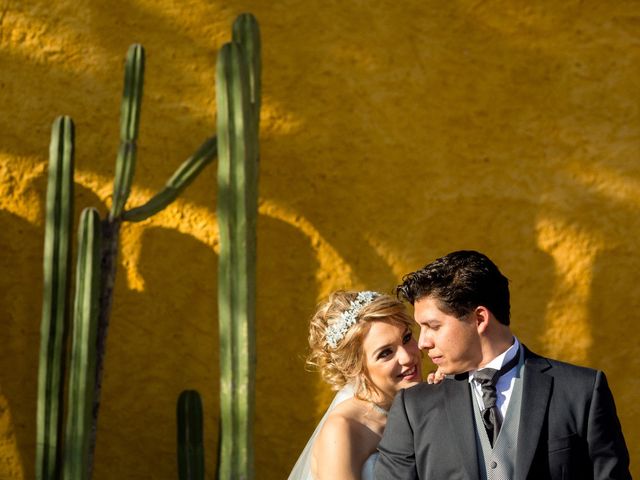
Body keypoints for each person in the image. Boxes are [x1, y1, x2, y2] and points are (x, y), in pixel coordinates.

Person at [375, 250, 631, 480]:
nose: (423, 343)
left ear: (479, 318)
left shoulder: (581, 391)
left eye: (433, 326)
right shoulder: (414, 408)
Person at [288, 291, 423, 480]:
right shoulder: (342, 429)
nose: (408, 357)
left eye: (407, 338)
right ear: (354, 367)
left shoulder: (423, 403)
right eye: (385, 353)